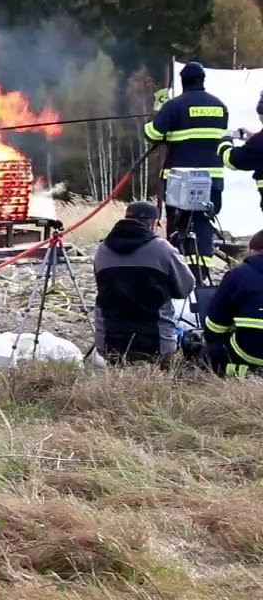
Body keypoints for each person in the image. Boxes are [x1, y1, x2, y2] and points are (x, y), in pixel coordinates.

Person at [144, 61, 229, 281]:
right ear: (203, 79)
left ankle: (177, 274)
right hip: (212, 179)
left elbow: (153, 134)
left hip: (180, 179)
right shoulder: (220, 106)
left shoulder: (174, 106)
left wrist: (156, 114)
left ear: (182, 82)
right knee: (203, 224)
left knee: (178, 226)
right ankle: (201, 274)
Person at [92, 200, 196, 365]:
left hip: (110, 341)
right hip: (157, 343)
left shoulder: (102, 249)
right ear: (153, 223)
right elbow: (185, 288)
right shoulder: (162, 249)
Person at [202, 229, 263, 378]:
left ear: (252, 250)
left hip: (249, 353)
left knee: (205, 355)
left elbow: (215, 326)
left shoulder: (238, 275)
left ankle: (245, 374)